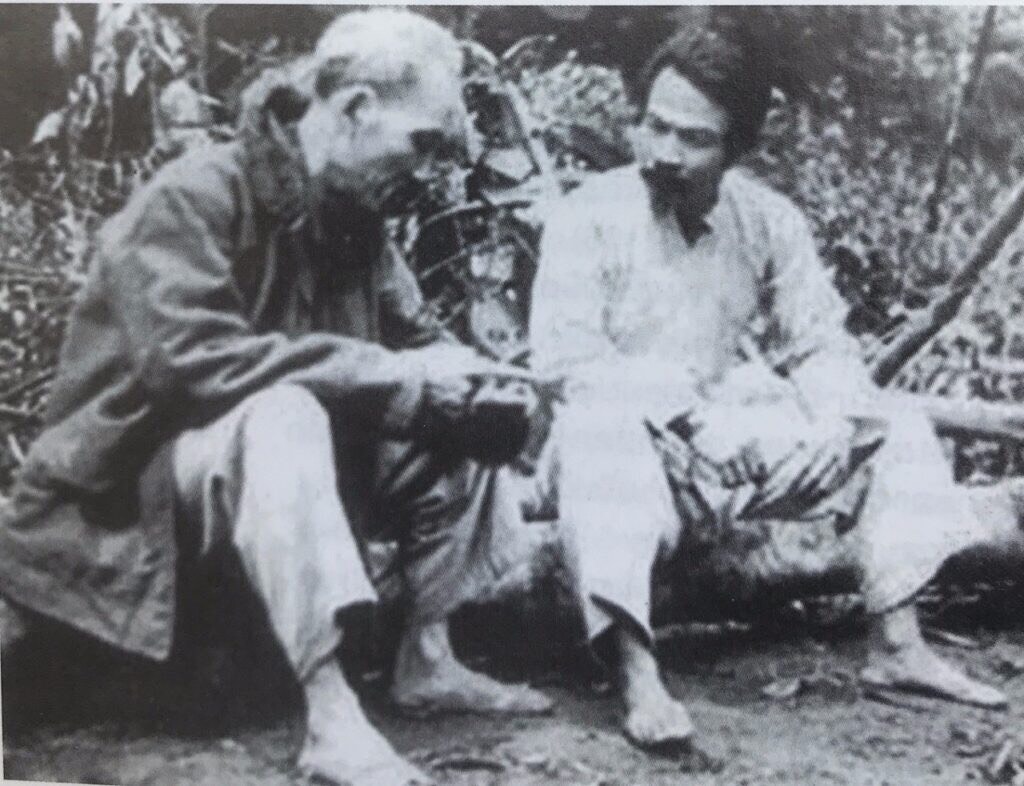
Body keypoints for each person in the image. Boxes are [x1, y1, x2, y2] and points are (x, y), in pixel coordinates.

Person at [0, 10, 552, 786]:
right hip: (128, 511)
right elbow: (192, 367)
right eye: (422, 143)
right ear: (356, 108)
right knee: (284, 412)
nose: (429, 171)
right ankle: (330, 715)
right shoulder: (191, 197)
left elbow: (417, 348)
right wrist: (385, 371)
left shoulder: (358, 225)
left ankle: (426, 657)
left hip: (241, 516)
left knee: (459, 403)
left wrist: (480, 384)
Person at [530, 23, 1016, 753]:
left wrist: (834, 428)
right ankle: (635, 671)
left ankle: (896, 644)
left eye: (694, 138)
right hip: (613, 452)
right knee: (600, 431)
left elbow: (820, 344)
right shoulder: (586, 216)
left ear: (737, 147)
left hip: (725, 456)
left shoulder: (767, 220)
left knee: (888, 422)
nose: (665, 151)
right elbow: (565, 363)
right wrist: (688, 419)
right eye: (655, 126)